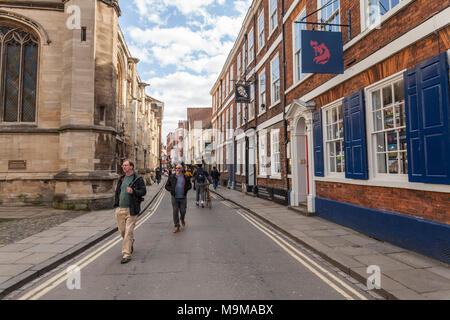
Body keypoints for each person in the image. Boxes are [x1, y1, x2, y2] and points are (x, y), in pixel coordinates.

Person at [114, 160, 147, 264]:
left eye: (126, 165)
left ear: (131, 167)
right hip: (120, 209)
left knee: (128, 232)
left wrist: (133, 191)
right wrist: (116, 204)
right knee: (122, 231)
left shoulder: (137, 179)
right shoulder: (122, 178)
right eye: (123, 165)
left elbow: (143, 191)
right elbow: (117, 192)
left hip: (131, 209)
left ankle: (126, 254)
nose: (124, 167)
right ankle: (130, 242)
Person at [165, 164, 192, 233]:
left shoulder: (186, 177)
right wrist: (172, 190)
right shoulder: (172, 177)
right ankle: (176, 226)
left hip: (183, 197)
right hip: (175, 197)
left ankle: (182, 219)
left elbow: (190, 186)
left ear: (182, 169)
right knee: (175, 211)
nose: (177, 169)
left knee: (183, 211)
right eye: (176, 168)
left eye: (179, 168)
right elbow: (166, 186)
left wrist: (186, 189)